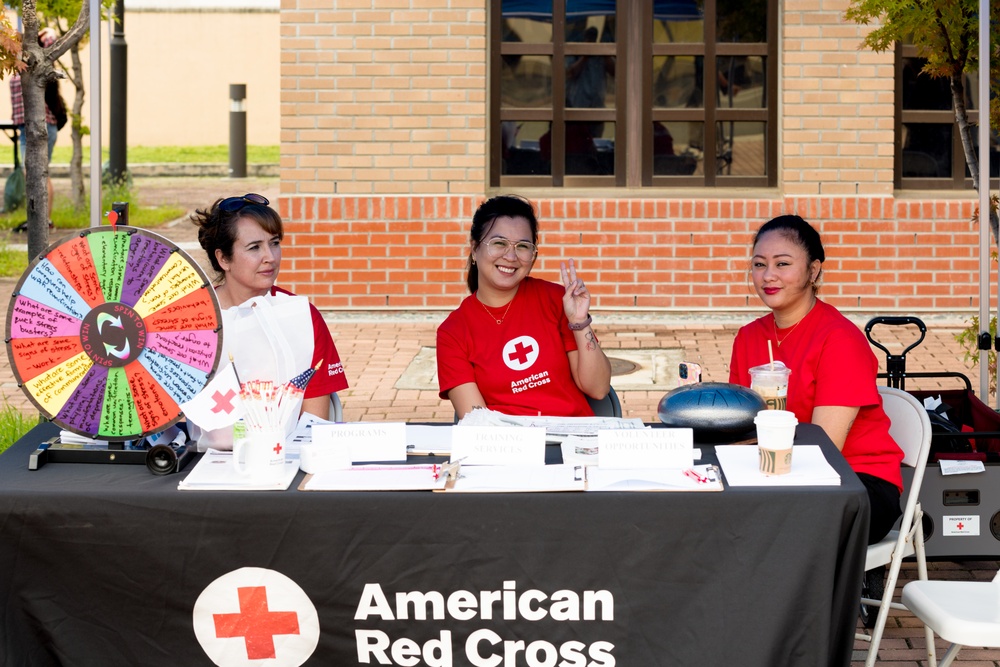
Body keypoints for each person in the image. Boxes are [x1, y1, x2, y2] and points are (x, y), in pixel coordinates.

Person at [729, 214, 904, 545]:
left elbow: (824, 448)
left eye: (783, 264)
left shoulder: (839, 339)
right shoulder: (749, 337)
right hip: (776, 476)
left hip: (856, 482)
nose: (768, 276)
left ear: (813, 270)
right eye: (759, 264)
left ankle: (839, 590)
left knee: (763, 531)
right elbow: (740, 429)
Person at [189, 193, 349, 449]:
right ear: (223, 259)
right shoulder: (188, 316)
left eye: (274, 243)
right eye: (254, 248)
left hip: (285, 462)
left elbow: (315, 423)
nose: (271, 257)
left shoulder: (302, 315)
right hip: (201, 463)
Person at [437, 194, 612, 418]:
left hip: (574, 441)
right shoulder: (453, 332)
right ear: (474, 249)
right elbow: (477, 423)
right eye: (499, 243)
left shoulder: (556, 300)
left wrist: (579, 322)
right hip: (508, 446)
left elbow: (597, 389)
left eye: (522, 246)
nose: (511, 256)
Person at [10, 27, 66, 226]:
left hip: (41, 126)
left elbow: (52, 42)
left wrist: (45, 31)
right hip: (25, 128)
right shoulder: (18, 64)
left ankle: (44, 220)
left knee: (37, 172)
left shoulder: (39, 63)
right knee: (35, 172)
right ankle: (40, 220)